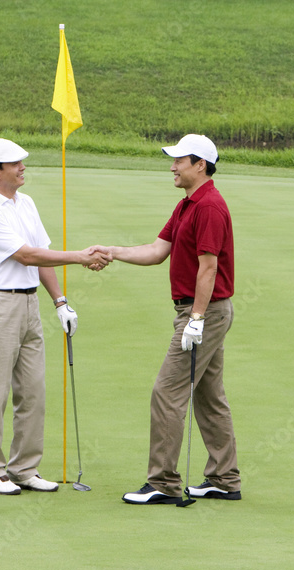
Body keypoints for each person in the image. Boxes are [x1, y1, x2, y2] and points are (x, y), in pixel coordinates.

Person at [97, 134, 241, 504]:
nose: (172, 166)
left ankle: (162, 482)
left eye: (180, 160)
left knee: (167, 392)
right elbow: (157, 251)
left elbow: (208, 268)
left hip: (202, 311)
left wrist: (195, 319)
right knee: (209, 396)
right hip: (200, 310)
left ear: (201, 165)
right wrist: (112, 251)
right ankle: (224, 479)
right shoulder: (186, 206)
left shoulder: (208, 206)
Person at [0, 138, 110, 495]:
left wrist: (60, 302)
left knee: (33, 393)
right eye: (15, 163)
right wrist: (80, 256)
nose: (22, 167)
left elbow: (43, 253)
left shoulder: (25, 203)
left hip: (29, 306)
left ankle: (23, 469)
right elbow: (27, 256)